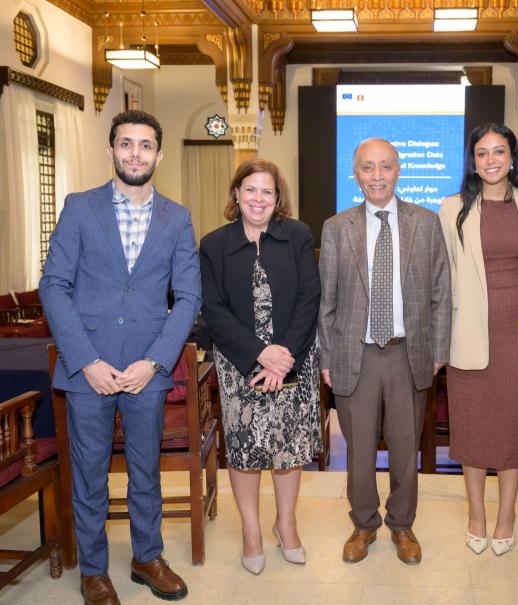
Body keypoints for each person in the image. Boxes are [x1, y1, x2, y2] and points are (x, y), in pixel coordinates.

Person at [40, 110, 200, 605]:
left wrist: (153, 362)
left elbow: (188, 298)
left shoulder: (177, 217)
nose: (136, 153)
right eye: (126, 144)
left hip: (145, 372)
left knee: (146, 471)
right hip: (87, 369)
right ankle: (93, 569)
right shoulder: (79, 208)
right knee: (89, 473)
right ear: (111, 150)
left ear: (159, 154)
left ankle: (146, 557)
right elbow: (54, 285)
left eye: (145, 145)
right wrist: (85, 359)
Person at [318, 137, 451, 565]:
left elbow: (440, 294)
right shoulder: (337, 227)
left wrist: (438, 349)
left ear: (398, 170)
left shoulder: (426, 224)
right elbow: (327, 302)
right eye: (367, 168)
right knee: (357, 451)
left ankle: (402, 524)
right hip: (353, 353)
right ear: (355, 174)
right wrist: (326, 358)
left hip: (407, 353)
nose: (377, 176)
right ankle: (363, 524)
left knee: (405, 447)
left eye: (385, 167)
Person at [199, 159, 321, 575]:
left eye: (266, 191)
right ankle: (251, 530)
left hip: (295, 357)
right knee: (246, 450)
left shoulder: (299, 235)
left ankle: (286, 524)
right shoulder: (214, 244)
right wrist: (258, 353)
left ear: (277, 197)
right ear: (236, 194)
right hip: (239, 364)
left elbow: (310, 298)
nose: (258, 198)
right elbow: (213, 310)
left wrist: (283, 355)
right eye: (249, 190)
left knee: (288, 448)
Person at [437, 123, 518, 556]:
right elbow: (445, 275)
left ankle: (507, 514)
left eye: (498, 151)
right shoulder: (452, 209)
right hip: (469, 334)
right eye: (482, 153)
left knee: (512, 429)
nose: (490, 160)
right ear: (473, 160)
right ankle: (476, 514)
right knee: (472, 430)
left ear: (512, 156)